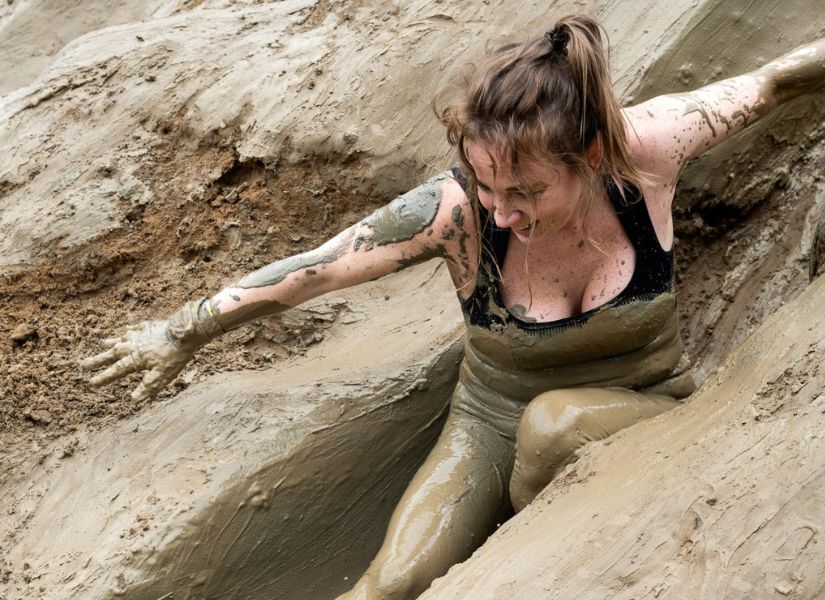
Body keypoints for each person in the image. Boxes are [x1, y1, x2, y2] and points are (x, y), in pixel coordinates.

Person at [81, 14, 825, 600]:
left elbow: (770, 82)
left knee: (556, 423)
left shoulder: (650, 148)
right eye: (488, 187)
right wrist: (182, 330)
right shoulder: (454, 211)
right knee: (392, 584)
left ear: (591, 157)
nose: (500, 212)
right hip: (491, 419)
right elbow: (315, 271)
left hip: (644, 403)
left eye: (526, 191)